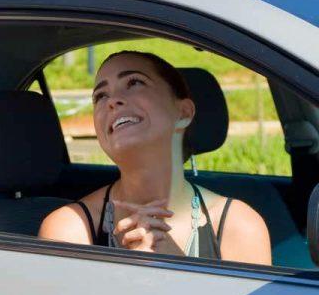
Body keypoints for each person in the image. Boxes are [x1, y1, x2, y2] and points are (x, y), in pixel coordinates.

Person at [39, 51, 271, 265]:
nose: (112, 100)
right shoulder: (69, 229)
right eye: (100, 95)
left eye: (134, 83)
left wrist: (176, 268)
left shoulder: (239, 226)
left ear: (183, 112)